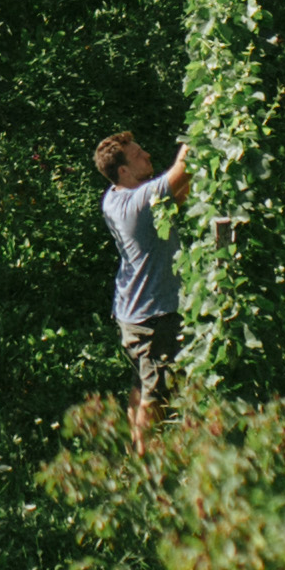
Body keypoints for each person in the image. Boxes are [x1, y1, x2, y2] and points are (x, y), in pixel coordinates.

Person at [97, 131, 188, 433]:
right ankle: (146, 469)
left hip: (134, 313)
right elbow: (181, 171)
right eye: (138, 155)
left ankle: (136, 456)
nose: (147, 155)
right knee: (156, 394)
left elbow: (179, 193)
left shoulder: (114, 197)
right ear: (122, 171)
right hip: (152, 317)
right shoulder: (137, 203)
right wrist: (201, 125)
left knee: (142, 383)